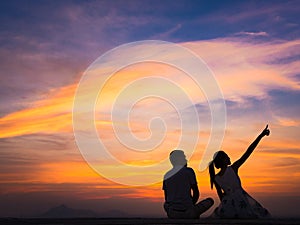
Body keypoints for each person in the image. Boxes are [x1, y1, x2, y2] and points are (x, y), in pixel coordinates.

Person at [209, 125, 271, 219]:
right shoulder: (232, 169)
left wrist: (226, 206)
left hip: (227, 205)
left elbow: (220, 195)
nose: (229, 158)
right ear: (223, 160)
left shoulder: (216, 178)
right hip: (241, 201)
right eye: (227, 157)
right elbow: (248, 152)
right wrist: (260, 136)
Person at [163, 150, 214, 219]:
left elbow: (166, 198)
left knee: (165, 205)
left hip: (173, 213)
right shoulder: (189, 171)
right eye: (184, 158)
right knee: (210, 201)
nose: (186, 160)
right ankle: (193, 213)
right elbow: (196, 193)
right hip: (189, 212)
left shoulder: (166, 175)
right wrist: (190, 206)